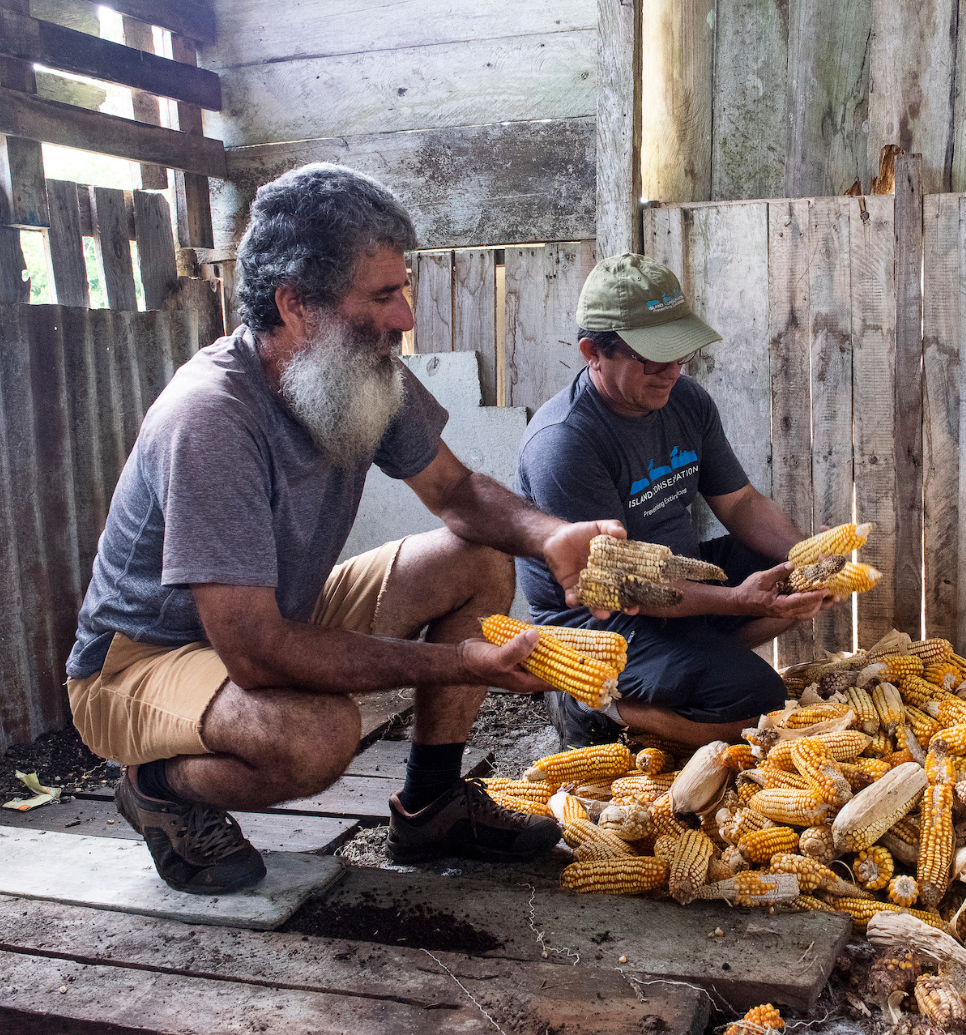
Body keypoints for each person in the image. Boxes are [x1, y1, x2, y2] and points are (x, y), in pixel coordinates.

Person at [65, 163, 624, 896]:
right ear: (297, 306)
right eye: (383, 294)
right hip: (138, 664)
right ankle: (157, 787)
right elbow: (259, 653)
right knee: (315, 737)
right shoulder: (211, 418)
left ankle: (431, 805)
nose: (405, 317)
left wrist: (550, 534)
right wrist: (458, 663)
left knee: (482, 557)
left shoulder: (363, 369)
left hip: (268, 615)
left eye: (403, 289)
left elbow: (456, 493)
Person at [516, 254, 840, 750]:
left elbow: (741, 504)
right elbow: (620, 585)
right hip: (603, 618)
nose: (670, 371)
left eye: (679, 354)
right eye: (650, 357)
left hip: (678, 575)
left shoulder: (687, 401)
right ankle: (593, 702)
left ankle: (696, 667)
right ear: (592, 353)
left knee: (787, 564)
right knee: (760, 699)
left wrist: (807, 557)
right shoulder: (564, 443)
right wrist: (734, 599)